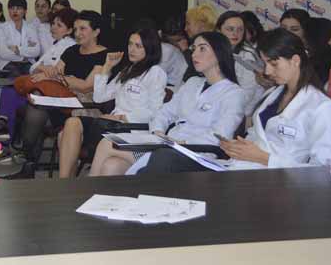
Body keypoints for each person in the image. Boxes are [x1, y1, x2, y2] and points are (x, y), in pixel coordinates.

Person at [144, 28, 331, 172]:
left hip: (278, 180)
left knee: (165, 162)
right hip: (241, 167)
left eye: (273, 64)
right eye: (265, 63)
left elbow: (323, 168)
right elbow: (255, 135)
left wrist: (265, 158)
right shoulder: (273, 95)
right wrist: (237, 147)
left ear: (295, 60)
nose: (267, 71)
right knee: (161, 163)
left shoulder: (320, 106)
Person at [89, 32, 245, 177]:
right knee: (112, 165)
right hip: (167, 145)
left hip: (196, 154)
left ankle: (83, 194)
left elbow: (220, 136)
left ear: (219, 53)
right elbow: (164, 112)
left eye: (202, 49)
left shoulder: (233, 93)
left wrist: (183, 143)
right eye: (194, 48)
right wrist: (158, 131)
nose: (194, 54)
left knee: (107, 144)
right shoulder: (192, 83)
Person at [56, 28, 167, 178]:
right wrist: (107, 67)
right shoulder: (127, 70)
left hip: (130, 129)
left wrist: (121, 117)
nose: (131, 49)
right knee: (72, 123)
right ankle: (64, 182)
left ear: (150, 49)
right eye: (130, 44)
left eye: (138, 46)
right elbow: (99, 97)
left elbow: (155, 111)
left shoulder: (155, 73)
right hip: (111, 125)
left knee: (64, 135)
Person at [14, 10, 108, 175]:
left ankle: (29, 163)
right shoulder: (71, 51)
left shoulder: (104, 55)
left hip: (84, 105)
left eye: (83, 29)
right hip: (61, 99)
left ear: (96, 32)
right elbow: (55, 74)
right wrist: (62, 78)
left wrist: (62, 78)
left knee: (37, 114)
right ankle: (29, 162)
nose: (77, 33)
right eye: (76, 29)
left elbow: (86, 86)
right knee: (35, 108)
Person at [0, 7, 80, 143]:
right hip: (42, 90)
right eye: (53, 24)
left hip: (54, 96)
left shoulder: (70, 47)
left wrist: (43, 69)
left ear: (70, 30)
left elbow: (56, 71)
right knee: (11, 91)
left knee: (13, 94)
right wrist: (42, 67)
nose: (53, 28)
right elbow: (33, 67)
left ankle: (5, 133)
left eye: (59, 25)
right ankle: (4, 128)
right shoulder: (56, 45)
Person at [216, 11, 266, 116]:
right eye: (230, 29)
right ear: (218, 30)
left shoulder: (247, 56)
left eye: (240, 30)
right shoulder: (213, 49)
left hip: (244, 112)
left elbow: (246, 95)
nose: (235, 33)